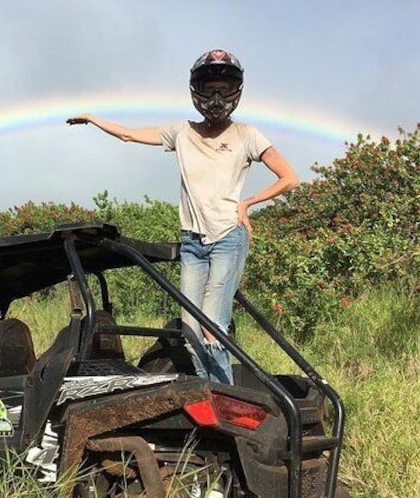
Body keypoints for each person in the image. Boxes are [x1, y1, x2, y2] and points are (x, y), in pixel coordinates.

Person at [67, 48, 300, 385]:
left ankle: (227, 396)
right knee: (190, 328)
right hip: (192, 243)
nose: (216, 96)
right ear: (197, 90)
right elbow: (129, 134)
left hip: (227, 239)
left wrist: (247, 203)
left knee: (211, 325)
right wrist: (92, 117)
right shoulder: (181, 132)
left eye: (224, 87)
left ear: (236, 90)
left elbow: (289, 177)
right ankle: (212, 391)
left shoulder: (247, 135)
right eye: (210, 88)